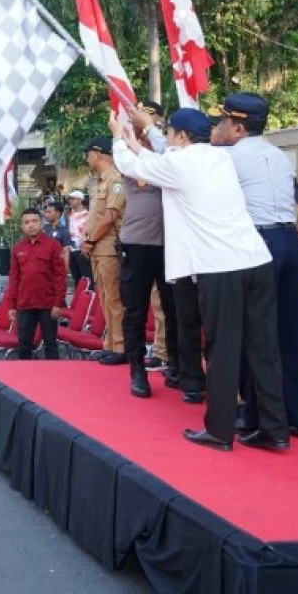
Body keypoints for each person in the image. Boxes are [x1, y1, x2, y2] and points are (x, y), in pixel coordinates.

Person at [111, 108, 289, 452]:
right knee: (263, 349)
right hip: (256, 260)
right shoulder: (220, 158)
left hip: (221, 268)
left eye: (171, 134)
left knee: (221, 349)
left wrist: (120, 137)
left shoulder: (179, 165)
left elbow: (136, 166)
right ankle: (274, 429)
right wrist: (138, 139)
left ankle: (220, 431)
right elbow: (155, 158)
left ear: (180, 137)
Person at [214, 93, 298, 438]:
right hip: (290, 240)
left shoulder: (226, 157)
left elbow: (181, 161)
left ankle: (255, 414)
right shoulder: (278, 155)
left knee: (253, 332)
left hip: (259, 242)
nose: (219, 126)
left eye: (223, 121)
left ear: (238, 127)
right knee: (292, 331)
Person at [113, 108, 178, 398]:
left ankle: (178, 366)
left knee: (176, 311)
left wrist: (151, 132)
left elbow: (168, 151)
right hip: (137, 246)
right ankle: (137, 370)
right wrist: (125, 135)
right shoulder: (132, 163)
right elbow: (125, 158)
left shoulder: (169, 162)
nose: (145, 135)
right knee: (135, 311)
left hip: (171, 246)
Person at [80, 137, 127, 364]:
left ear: (97, 153)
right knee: (105, 298)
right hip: (98, 248)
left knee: (114, 299)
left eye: (88, 153)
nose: (87, 158)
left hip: (108, 247)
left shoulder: (115, 179)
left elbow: (110, 217)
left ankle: (120, 347)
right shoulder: (99, 181)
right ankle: (110, 343)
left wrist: (90, 239)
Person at [2, 208, 67, 360]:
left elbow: (60, 276)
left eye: (34, 221)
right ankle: (25, 379)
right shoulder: (18, 248)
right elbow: (14, 278)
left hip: (48, 304)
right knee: (24, 344)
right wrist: (11, 305)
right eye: (26, 222)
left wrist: (58, 303)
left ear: (41, 223)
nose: (31, 225)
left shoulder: (53, 246)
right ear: (22, 226)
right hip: (25, 304)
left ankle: (55, 378)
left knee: (50, 344)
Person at [66, 191, 90, 286]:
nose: (70, 201)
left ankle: (88, 298)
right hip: (71, 249)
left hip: (83, 249)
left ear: (80, 200)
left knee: (87, 276)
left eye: (73, 199)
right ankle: (78, 298)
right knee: (76, 277)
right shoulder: (69, 215)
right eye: (70, 199)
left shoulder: (88, 215)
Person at [40, 200, 71, 275]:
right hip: (42, 265)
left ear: (58, 213)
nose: (46, 215)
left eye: (50, 212)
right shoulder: (42, 228)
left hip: (56, 266)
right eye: (46, 212)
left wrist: (65, 269)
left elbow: (66, 251)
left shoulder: (64, 231)